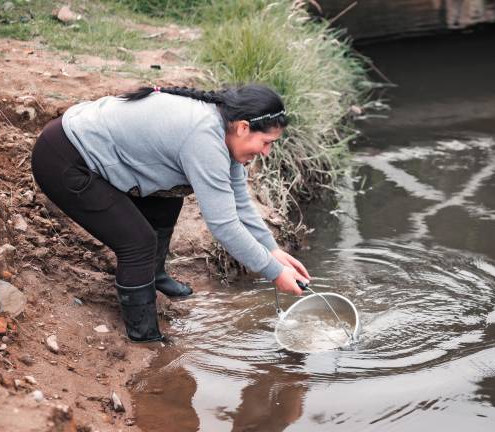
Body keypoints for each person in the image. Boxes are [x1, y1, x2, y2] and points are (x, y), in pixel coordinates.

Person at [31, 84, 311, 342]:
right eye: (266, 142)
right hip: (65, 160)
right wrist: (274, 273)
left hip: (93, 152)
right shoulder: (204, 138)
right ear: (243, 127)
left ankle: (154, 275)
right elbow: (224, 226)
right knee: (138, 243)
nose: (266, 152)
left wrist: (272, 249)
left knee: (171, 195)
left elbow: (239, 202)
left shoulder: (225, 129)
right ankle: (144, 335)